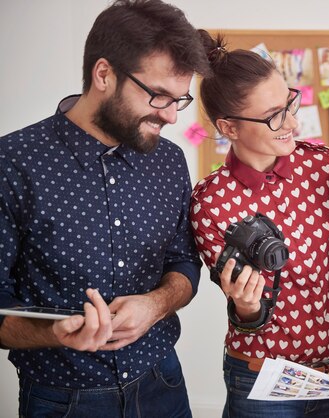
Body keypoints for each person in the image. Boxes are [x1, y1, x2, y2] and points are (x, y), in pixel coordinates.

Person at [0, 1, 206, 417]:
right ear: (104, 74)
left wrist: (157, 304)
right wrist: (54, 332)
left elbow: (184, 262)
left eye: (178, 100)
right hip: (61, 399)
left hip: (162, 383)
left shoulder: (169, 161)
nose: (170, 115)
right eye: (158, 95)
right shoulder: (13, 162)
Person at [190, 31, 329, 418]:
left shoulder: (325, 167)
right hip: (261, 378)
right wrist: (246, 306)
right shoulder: (211, 202)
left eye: (289, 103)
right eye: (274, 116)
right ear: (229, 129)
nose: (291, 121)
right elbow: (246, 316)